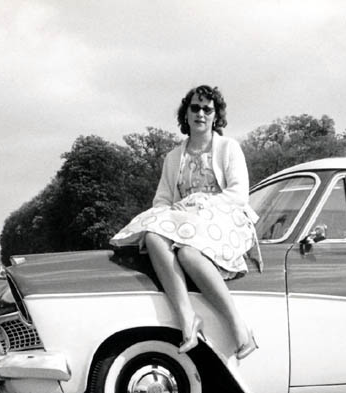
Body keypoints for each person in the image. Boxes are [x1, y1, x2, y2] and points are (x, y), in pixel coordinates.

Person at [110, 85, 262, 359]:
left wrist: (200, 202)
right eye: (195, 108)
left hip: (225, 219)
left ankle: (239, 327)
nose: (201, 114)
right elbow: (161, 201)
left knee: (189, 254)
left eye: (207, 109)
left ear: (216, 116)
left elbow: (239, 195)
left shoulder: (229, 148)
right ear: (186, 113)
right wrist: (173, 212)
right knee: (154, 236)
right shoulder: (173, 157)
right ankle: (187, 317)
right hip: (185, 224)